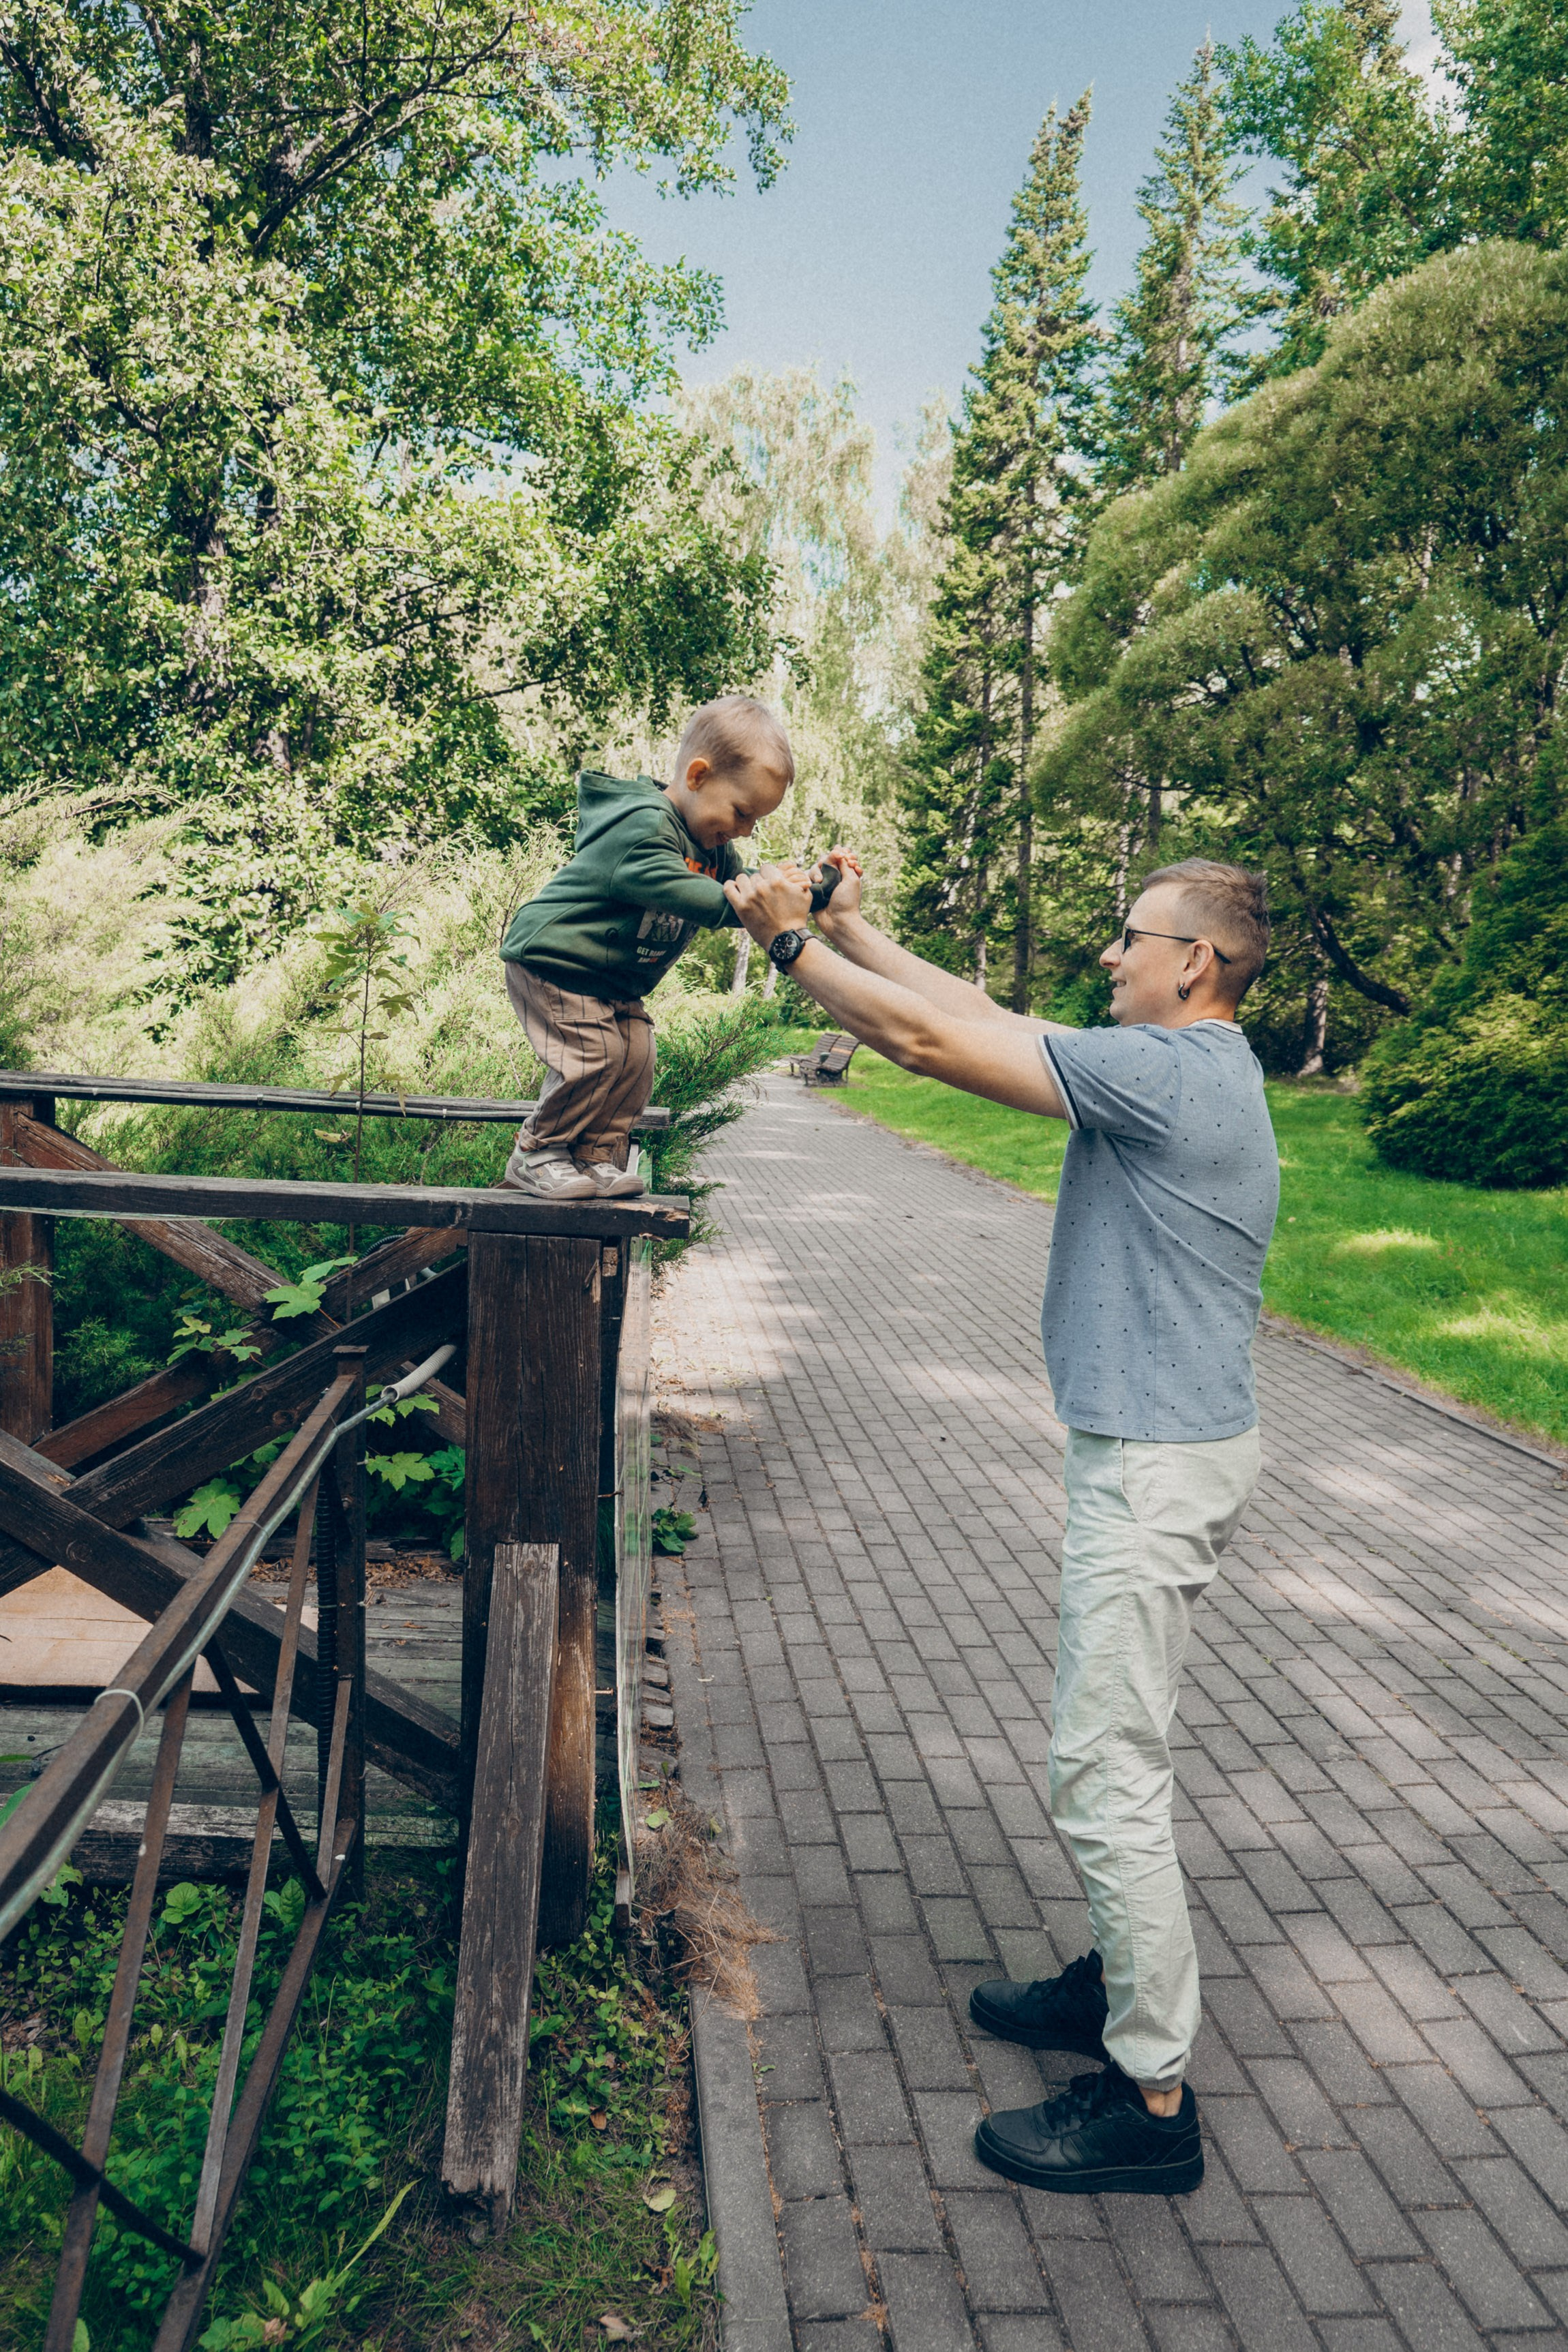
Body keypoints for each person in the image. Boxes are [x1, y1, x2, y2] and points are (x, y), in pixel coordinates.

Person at [723, 851, 1279, 2199]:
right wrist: (856, 930)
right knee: (1112, 1752)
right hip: (1160, 1448)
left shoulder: (1169, 1076)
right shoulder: (1182, 1065)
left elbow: (925, 1045)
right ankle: (1112, 1985)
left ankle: (1151, 2101)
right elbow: (975, 1013)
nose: (1110, 956)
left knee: (1103, 1770)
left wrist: (792, 947)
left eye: (1131, 937)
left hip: (1154, 1466)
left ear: (1194, 962)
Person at [499, 695, 813, 1199]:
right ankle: (537, 1152)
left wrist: (810, 886)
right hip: (555, 961)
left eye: (755, 820)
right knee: (596, 1056)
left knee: (636, 1058)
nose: (745, 829)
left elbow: (746, 886)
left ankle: (594, 1157)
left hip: (613, 982)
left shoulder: (714, 848)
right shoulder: (642, 825)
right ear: (698, 776)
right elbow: (699, 896)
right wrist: (767, 904)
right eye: (742, 812)